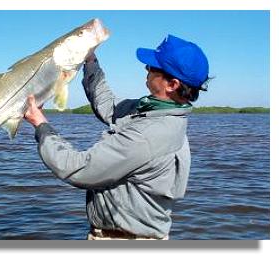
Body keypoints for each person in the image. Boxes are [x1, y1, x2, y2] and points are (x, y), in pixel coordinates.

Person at [23, 34, 209, 240]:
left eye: (153, 67)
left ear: (172, 84)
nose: (146, 68)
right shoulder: (154, 111)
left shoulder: (149, 134)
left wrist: (41, 125)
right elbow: (108, 105)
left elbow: (77, 169)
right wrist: (90, 61)